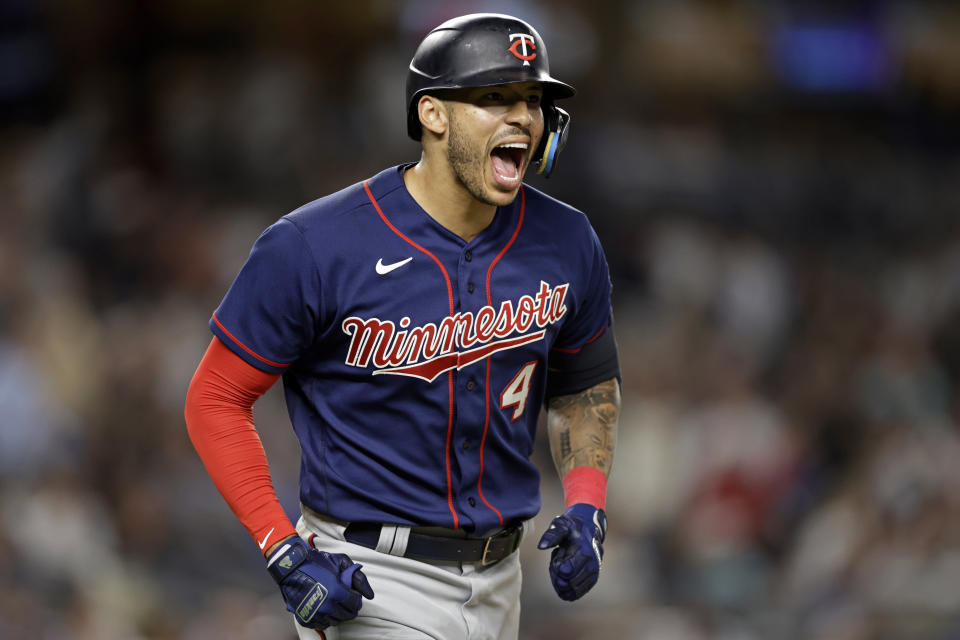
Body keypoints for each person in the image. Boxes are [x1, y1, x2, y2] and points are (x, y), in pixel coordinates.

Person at [184, 12, 620, 640]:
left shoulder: (567, 238)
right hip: (373, 575)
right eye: (494, 97)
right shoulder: (315, 244)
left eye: (532, 99)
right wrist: (280, 546)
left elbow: (586, 385)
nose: (522, 116)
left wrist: (586, 504)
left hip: (503, 581)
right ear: (433, 114)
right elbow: (216, 398)